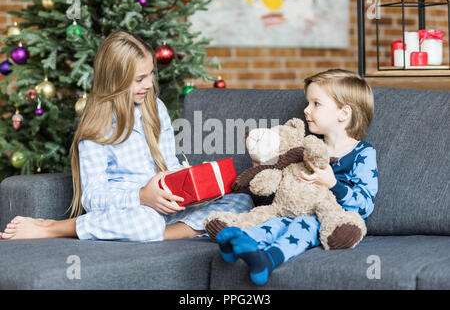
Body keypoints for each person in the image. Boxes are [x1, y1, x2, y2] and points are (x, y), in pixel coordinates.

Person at [0, 30, 253, 241]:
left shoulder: (156, 108)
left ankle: (160, 234)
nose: (149, 84)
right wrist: (142, 196)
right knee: (145, 222)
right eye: (139, 79)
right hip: (132, 210)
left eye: (151, 74)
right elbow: (92, 198)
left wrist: (191, 186)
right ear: (115, 81)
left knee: (242, 202)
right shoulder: (97, 126)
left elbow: (170, 165)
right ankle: (51, 228)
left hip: (165, 209)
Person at [215, 69, 378, 285]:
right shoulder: (304, 148)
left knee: (303, 224)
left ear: (343, 113)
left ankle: (268, 260)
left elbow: (365, 205)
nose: (306, 110)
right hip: (292, 211)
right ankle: (239, 242)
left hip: (331, 219)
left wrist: (333, 184)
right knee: (276, 222)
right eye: (308, 103)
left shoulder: (363, 153)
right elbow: (283, 196)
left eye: (316, 104)